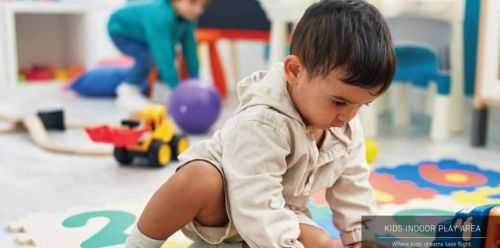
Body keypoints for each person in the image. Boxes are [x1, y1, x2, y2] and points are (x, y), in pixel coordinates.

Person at [125, 0, 395, 247]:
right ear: (294, 71)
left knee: (323, 242)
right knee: (198, 177)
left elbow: (354, 186)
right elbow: (255, 205)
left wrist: (361, 237)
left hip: (278, 211)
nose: (348, 115)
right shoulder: (264, 121)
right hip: (226, 209)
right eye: (339, 102)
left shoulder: (344, 122)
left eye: (363, 104)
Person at [108, 0, 211, 111]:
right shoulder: (160, 15)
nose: (199, 10)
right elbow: (163, 57)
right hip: (120, 29)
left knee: (169, 52)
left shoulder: (189, 19)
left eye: (203, 5)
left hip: (145, 32)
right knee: (149, 57)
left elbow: (190, 50)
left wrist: (195, 83)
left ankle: (162, 95)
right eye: (192, 2)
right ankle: (128, 90)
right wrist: (178, 91)